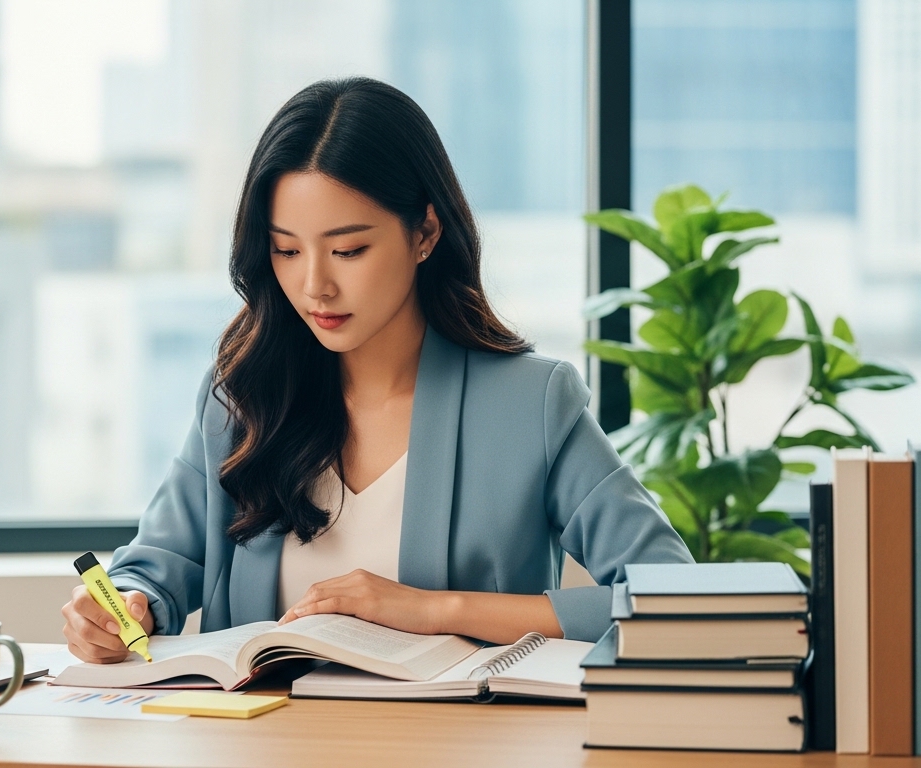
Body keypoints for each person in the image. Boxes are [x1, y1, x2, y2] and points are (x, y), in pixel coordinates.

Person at [61, 77, 692, 663]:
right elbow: (155, 566)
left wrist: (431, 610)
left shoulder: (532, 406)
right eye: (286, 250)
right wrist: (123, 605)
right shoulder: (241, 395)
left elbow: (680, 600)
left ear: (424, 232)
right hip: (254, 746)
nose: (314, 285)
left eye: (348, 250)